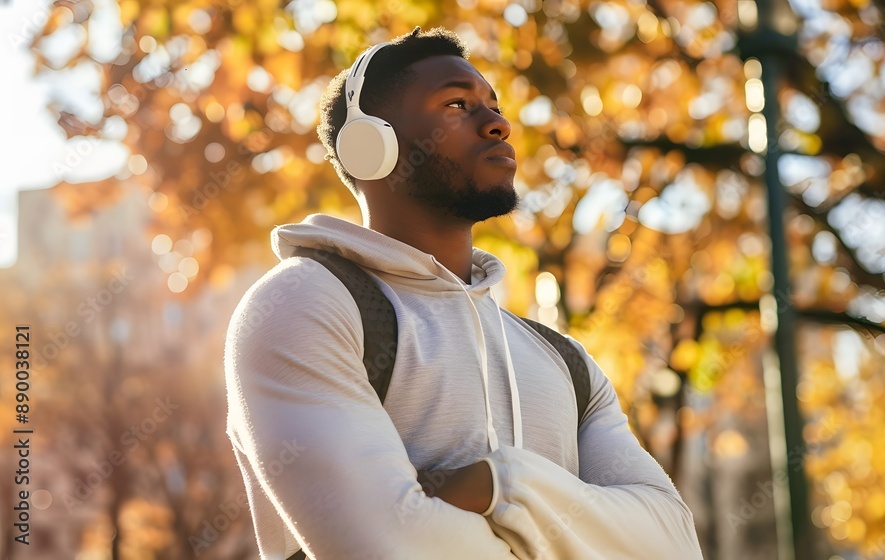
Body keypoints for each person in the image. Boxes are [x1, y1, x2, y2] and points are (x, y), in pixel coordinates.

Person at [224, 26, 703, 559]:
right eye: (457, 104)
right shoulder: (308, 303)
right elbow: (388, 548)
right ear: (370, 145)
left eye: (493, 106)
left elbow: (672, 542)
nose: (497, 123)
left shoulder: (566, 362)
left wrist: (502, 485)